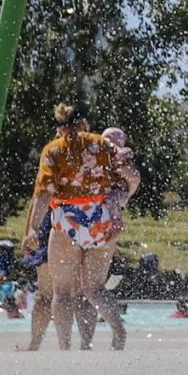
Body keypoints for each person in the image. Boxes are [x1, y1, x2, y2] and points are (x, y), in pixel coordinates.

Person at [15, 104, 125, 352]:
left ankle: (65, 346)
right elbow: (129, 175)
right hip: (100, 217)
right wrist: (119, 203)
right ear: (83, 123)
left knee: (62, 291)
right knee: (94, 288)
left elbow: (42, 194)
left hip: (68, 218)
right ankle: (117, 330)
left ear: (61, 127)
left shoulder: (54, 150)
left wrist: (31, 229)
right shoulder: (103, 145)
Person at [76, 125, 139, 350]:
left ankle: (101, 336)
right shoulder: (124, 176)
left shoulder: (105, 164)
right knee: (90, 288)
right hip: (106, 226)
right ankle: (98, 336)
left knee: (87, 288)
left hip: (87, 222)